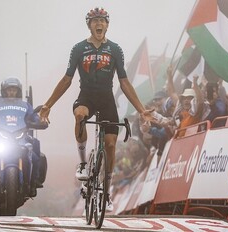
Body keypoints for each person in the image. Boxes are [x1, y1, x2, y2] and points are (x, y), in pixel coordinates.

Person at [38, 7, 154, 211]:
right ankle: (83, 163)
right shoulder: (79, 49)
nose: (99, 24)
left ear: (107, 25)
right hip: (87, 97)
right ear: (89, 25)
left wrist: (142, 109)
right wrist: (48, 104)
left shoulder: (115, 50)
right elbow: (67, 79)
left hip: (107, 98)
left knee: (110, 145)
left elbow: (124, 82)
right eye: (95, 21)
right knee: (80, 116)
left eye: (102, 20)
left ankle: (107, 192)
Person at [0, 77, 47, 197]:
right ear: (4, 91)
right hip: (0, 138)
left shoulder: (25, 105)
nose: (11, 92)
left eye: (14, 90)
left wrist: (39, 121)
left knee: (36, 157)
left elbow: (34, 117)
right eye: (9, 90)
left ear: (18, 91)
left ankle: (33, 183)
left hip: (21, 138)